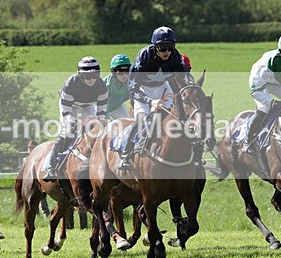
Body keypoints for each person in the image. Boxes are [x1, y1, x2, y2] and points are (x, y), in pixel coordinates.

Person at [119, 26, 185, 170]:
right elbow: (133, 88)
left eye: (170, 47)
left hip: (163, 88)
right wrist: (150, 101)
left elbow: (183, 80)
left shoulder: (175, 56)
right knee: (142, 121)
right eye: (162, 48)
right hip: (143, 90)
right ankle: (125, 155)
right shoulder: (144, 57)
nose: (167, 52)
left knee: (177, 119)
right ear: (155, 47)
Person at [42, 56, 108, 180]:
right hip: (69, 107)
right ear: (81, 75)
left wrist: (100, 119)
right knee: (67, 131)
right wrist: (79, 122)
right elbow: (66, 111)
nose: (91, 79)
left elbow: (102, 110)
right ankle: (51, 167)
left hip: (88, 107)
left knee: (98, 130)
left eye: (95, 75)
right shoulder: (71, 83)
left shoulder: (102, 86)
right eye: (88, 76)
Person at [103, 54, 132, 119]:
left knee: (128, 123)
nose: (124, 75)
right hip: (99, 108)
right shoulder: (106, 85)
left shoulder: (132, 82)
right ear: (113, 72)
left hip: (117, 107)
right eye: (120, 72)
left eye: (127, 71)